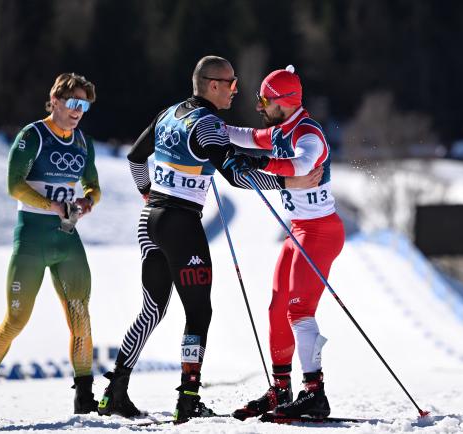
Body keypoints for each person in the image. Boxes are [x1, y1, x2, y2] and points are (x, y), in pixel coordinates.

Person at [97, 56, 320, 423]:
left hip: (150, 221)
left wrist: (148, 195)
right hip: (181, 226)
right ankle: (188, 400)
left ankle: (114, 391)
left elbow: (136, 157)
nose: (237, 89)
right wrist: (287, 183)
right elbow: (235, 174)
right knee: (199, 311)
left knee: (152, 310)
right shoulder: (208, 123)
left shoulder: (170, 112)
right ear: (212, 84)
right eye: (232, 83)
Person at [0, 73, 101, 418]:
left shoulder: (82, 141)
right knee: (16, 321)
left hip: (67, 238)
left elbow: (93, 186)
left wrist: (86, 203)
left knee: (81, 318)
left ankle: (84, 397)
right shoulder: (33, 136)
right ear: (54, 101)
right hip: (32, 239)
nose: (78, 111)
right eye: (73, 103)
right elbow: (14, 185)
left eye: (84, 105)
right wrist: (52, 205)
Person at [225, 65, 345, 420]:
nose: (260, 106)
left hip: (321, 232)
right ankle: (280, 389)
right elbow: (242, 134)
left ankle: (315, 393)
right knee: (277, 307)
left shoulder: (309, 134)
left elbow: (303, 164)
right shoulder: (281, 130)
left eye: (265, 99)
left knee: (299, 310)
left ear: (284, 101)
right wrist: (206, 127)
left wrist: (259, 161)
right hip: (298, 231)